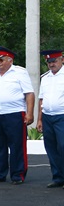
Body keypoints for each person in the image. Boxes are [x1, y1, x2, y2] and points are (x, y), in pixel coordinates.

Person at [0, 46, 35, 185]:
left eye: (1, 60)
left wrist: (30, 113)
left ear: (10, 60)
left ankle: (17, 175)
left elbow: (29, 94)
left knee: (17, 146)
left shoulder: (20, 73)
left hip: (14, 114)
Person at [37, 49, 64, 188]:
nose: (52, 64)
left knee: (63, 146)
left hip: (62, 116)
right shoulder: (45, 78)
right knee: (51, 147)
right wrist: (39, 119)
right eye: (49, 62)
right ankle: (58, 177)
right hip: (48, 116)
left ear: (62, 59)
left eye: (54, 61)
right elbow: (41, 100)